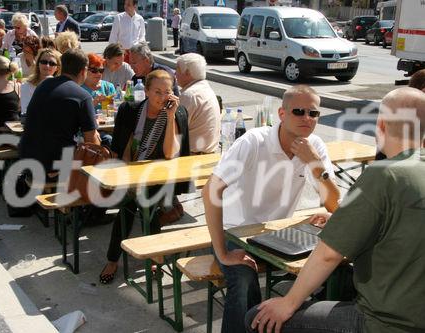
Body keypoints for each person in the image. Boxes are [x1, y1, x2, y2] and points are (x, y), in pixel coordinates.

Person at [245, 87, 425, 333]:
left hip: (384, 321)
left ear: (380, 125)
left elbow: (328, 254)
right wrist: (343, 219)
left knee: (258, 317)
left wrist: (288, 303)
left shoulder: (383, 174)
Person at [202, 85, 341, 333]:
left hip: (278, 234)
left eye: (314, 113)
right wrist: (222, 253)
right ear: (282, 114)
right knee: (243, 280)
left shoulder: (314, 146)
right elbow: (210, 191)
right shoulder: (254, 142)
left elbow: (333, 203)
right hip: (235, 232)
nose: (307, 118)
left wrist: (314, 163)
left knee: (337, 266)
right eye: (299, 111)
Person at [99, 69, 190, 284]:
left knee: (137, 203)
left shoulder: (177, 113)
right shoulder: (130, 110)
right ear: (146, 91)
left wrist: (169, 117)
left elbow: (170, 153)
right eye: (157, 91)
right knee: (137, 203)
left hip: (161, 177)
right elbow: (119, 148)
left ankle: (116, 260)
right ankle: (153, 258)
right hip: (132, 173)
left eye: (167, 92)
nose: (162, 97)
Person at [19, 48, 101, 177]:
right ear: (83, 71)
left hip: (27, 158)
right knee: (98, 155)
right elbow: (92, 143)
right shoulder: (82, 96)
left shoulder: (43, 85)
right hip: (54, 164)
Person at [176, 53, 220, 154]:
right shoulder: (206, 88)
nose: (175, 73)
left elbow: (174, 130)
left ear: (187, 72)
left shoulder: (190, 95)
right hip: (210, 153)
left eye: (177, 69)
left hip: (193, 157)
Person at [20, 48, 61, 116]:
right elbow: (26, 112)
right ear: (38, 64)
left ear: (57, 68)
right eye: (44, 62)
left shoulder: (60, 88)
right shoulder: (26, 86)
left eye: (52, 63)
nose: (47, 66)